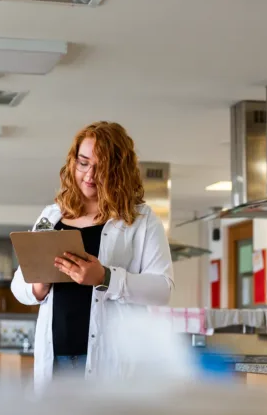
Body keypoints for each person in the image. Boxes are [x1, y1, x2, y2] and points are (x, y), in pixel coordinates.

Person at [11, 121, 174, 392]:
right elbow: (19, 285)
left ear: (119, 170)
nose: (89, 175)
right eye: (83, 163)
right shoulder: (51, 215)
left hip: (109, 361)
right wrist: (37, 286)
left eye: (101, 167)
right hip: (55, 359)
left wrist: (105, 277)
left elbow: (162, 289)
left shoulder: (140, 220)